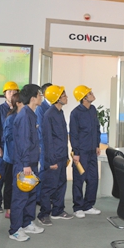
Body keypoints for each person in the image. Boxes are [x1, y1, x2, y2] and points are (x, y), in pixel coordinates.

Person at [9, 84, 45, 242]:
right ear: (33, 98)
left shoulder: (31, 114)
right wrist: (25, 164)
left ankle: (27, 222)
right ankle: (15, 230)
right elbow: (23, 141)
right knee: (20, 197)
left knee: (30, 195)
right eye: (39, 94)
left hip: (31, 161)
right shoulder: (24, 115)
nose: (41, 97)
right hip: (24, 163)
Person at [37, 85, 73, 225]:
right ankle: (44, 214)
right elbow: (47, 140)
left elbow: (62, 136)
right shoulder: (49, 114)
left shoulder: (59, 112)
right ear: (56, 98)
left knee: (61, 184)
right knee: (49, 186)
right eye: (63, 95)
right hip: (53, 157)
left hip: (61, 155)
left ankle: (58, 210)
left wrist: (66, 155)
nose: (66, 97)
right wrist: (51, 160)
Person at [69, 85, 101, 219]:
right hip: (81, 152)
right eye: (90, 93)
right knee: (79, 180)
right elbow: (73, 134)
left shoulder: (93, 109)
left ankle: (88, 205)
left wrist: (97, 145)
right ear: (84, 98)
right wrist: (76, 152)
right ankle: (78, 207)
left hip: (92, 151)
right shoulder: (75, 113)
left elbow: (97, 129)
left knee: (93, 179)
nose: (92, 94)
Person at [0, 81, 19, 216]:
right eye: (10, 92)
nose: (12, 94)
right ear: (5, 94)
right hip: (2, 148)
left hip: (14, 150)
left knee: (11, 179)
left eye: (15, 91)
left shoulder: (20, 110)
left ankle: (9, 203)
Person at [2, 92, 23, 219]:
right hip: (11, 158)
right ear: (18, 103)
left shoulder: (25, 116)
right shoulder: (11, 118)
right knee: (10, 184)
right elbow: (9, 138)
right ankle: (8, 209)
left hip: (21, 157)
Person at [34, 82, 52, 203]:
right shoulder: (41, 108)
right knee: (43, 170)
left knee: (50, 172)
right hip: (44, 144)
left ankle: (47, 196)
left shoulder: (54, 107)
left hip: (52, 145)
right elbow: (40, 129)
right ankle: (39, 197)